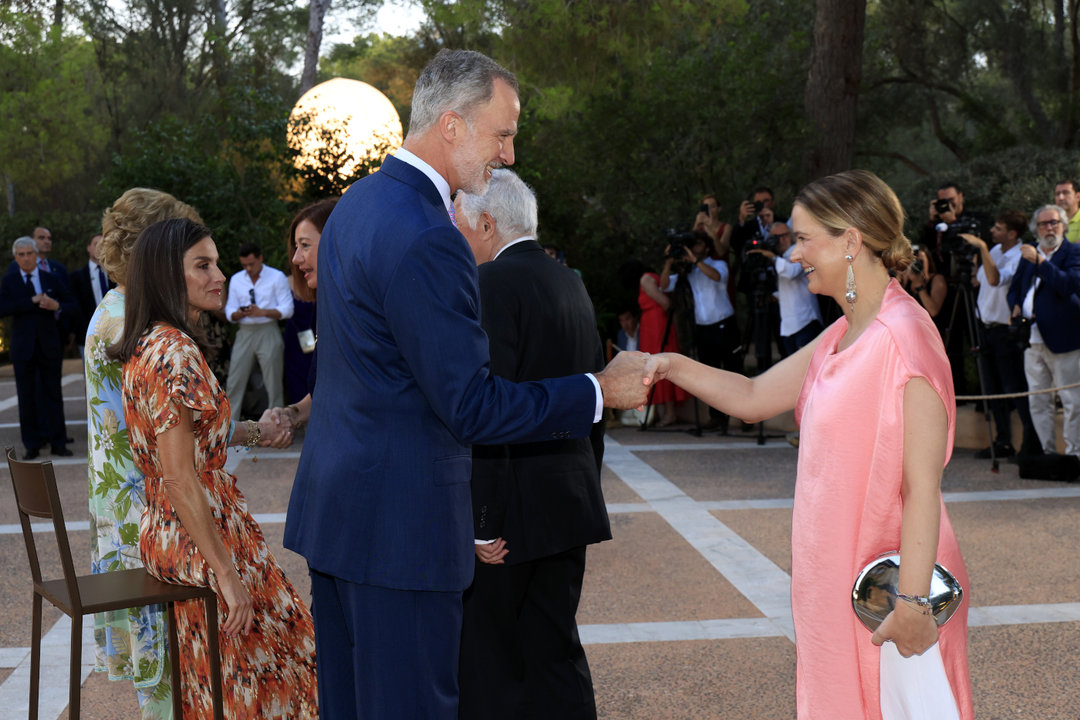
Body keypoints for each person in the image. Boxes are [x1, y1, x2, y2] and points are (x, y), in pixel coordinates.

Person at [283, 49, 648, 720]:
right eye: (502, 133)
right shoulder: (429, 234)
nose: (508, 154)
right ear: (452, 125)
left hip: (338, 517)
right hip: (400, 535)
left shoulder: (358, 205)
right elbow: (471, 405)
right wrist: (599, 390)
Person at [642, 170, 973, 719]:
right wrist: (668, 365)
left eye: (802, 238)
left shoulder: (904, 337)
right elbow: (751, 395)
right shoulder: (844, 331)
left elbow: (921, 488)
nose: (793, 255)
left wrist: (913, 604)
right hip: (833, 579)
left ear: (850, 240)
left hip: (889, 591)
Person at [87, 188, 291, 717]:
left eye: (217, 263)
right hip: (190, 525)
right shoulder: (169, 348)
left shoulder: (144, 336)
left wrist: (249, 429)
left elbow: (185, 439)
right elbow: (179, 475)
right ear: (161, 268)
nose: (219, 275)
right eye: (203, 264)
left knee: (204, 679)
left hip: (165, 523)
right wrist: (225, 571)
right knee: (275, 669)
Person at [454, 169, 610, 720]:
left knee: (491, 662)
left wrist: (482, 519)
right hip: (568, 499)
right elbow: (594, 398)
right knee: (556, 654)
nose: (454, 233)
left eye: (459, 221)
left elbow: (492, 407)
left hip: (512, 510)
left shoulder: (491, 284)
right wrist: (589, 480)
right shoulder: (570, 281)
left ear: (488, 223)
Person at [962, 210, 1038, 458]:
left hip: (1006, 331)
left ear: (1012, 233)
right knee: (992, 388)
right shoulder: (995, 251)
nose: (993, 231)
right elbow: (981, 282)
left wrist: (982, 247)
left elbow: (995, 280)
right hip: (985, 328)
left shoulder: (1020, 255)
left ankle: (1030, 442)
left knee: (1012, 386)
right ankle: (1002, 440)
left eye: (998, 228)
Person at [1007, 204, 1080, 457]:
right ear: (1035, 229)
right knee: (1038, 401)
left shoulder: (1073, 252)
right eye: (1044, 224)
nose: (1049, 228)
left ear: (1063, 226)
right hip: (1032, 339)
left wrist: (1041, 262)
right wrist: (1015, 305)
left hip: (1064, 338)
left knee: (1071, 401)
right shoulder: (1028, 256)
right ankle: (1048, 455)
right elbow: (1015, 288)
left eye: (1054, 222)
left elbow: (1069, 285)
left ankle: (1075, 456)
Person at [0, 236, 76, 459]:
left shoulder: (49, 278)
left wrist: (57, 305)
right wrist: (31, 301)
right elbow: (3, 308)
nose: (26, 258)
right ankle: (31, 444)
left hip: (49, 346)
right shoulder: (9, 281)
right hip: (23, 349)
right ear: (15, 258)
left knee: (54, 395)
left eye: (29, 254)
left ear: (36, 255)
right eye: (21, 255)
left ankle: (58, 442)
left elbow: (73, 306)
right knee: (26, 397)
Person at [660, 230, 741, 430]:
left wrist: (695, 261)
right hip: (703, 329)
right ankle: (716, 417)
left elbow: (716, 277)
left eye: (696, 244)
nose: (692, 249)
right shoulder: (688, 271)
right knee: (710, 375)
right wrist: (670, 261)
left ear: (706, 247)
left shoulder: (718, 264)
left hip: (724, 325)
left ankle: (742, 416)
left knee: (733, 371)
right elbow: (664, 286)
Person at [223, 242, 294, 422]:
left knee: (273, 382)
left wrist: (263, 312)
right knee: (235, 381)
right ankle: (229, 428)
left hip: (268, 330)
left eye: (251, 264)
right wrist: (240, 313)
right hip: (245, 331)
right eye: (244, 265)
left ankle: (276, 426)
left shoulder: (277, 277)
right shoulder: (237, 279)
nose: (248, 268)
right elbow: (229, 311)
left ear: (260, 258)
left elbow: (288, 309)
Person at [282, 200, 336, 407]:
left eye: (305, 245)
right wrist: (292, 414)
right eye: (296, 247)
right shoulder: (325, 304)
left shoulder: (361, 310)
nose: (296, 258)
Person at [749, 221, 823, 357]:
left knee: (809, 369)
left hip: (805, 322)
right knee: (795, 374)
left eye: (784, 236)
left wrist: (772, 258)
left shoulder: (799, 252)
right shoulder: (781, 258)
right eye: (775, 237)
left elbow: (791, 273)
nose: (781, 240)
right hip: (788, 326)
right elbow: (790, 288)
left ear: (790, 236)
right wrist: (772, 296)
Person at [638, 260, 685, 426]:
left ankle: (669, 412)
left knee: (659, 365)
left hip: (656, 326)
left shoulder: (646, 279)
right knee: (654, 366)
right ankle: (657, 412)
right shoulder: (653, 278)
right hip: (652, 326)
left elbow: (665, 302)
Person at [70, 232, 116, 352]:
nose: (100, 247)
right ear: (88, 247)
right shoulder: (77, 276)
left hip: (114, 334)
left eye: (103, 244)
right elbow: (76, 307)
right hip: (87, 335)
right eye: (96, 243)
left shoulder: (116, 275)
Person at [899, 244, 948, 320]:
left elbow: (933, 312)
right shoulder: (907, 280)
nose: (917, 265)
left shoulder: (937, 279)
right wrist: (903, 283)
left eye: (921, 261)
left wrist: (919, 286)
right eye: (914, 262)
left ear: (928, 260)